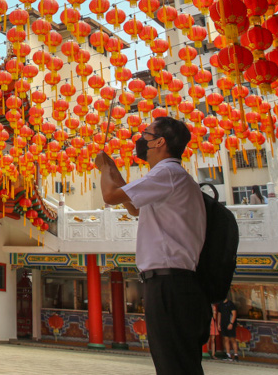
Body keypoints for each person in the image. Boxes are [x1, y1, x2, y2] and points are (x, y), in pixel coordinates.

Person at [96, 116, 209, 375]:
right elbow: (134, 207)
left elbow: (110, 196)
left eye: (145, 134)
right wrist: (112, 169)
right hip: (174, 283)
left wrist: (103, 168)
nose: (140, 139)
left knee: (174, 365)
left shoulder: (167, 172)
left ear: (159, 141)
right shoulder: (170, 175)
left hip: (170, 283)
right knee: (176, 363)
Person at [217, 296, 239, 361]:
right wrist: (218, 324)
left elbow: (234, 314)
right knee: (225, 339)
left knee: (232, 339)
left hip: (230, 324)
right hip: (223, 324)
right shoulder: (220, 305)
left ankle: (236, 355)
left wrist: (231, 323)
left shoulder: (230, 304)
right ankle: (228, 354)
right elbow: (219, 314)